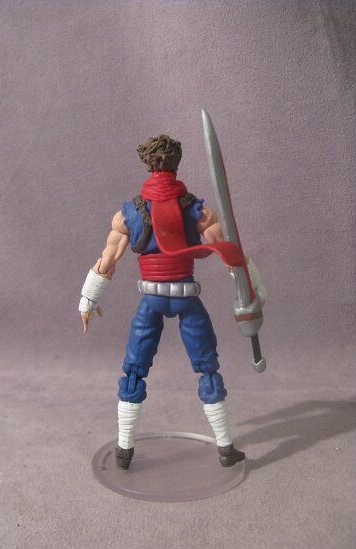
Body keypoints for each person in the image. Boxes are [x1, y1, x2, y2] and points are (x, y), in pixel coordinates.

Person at [79, 135, 266, 470]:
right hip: (186, 299)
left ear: (148, 164)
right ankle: (225, 447)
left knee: (134, 370)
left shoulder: (129, 214)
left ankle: (124, 451)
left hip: (151, 299)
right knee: (207, 369)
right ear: (176, 163)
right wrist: (252, 289)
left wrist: (88, 299)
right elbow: (230, 257)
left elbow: (107, 260)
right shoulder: (198, 211)